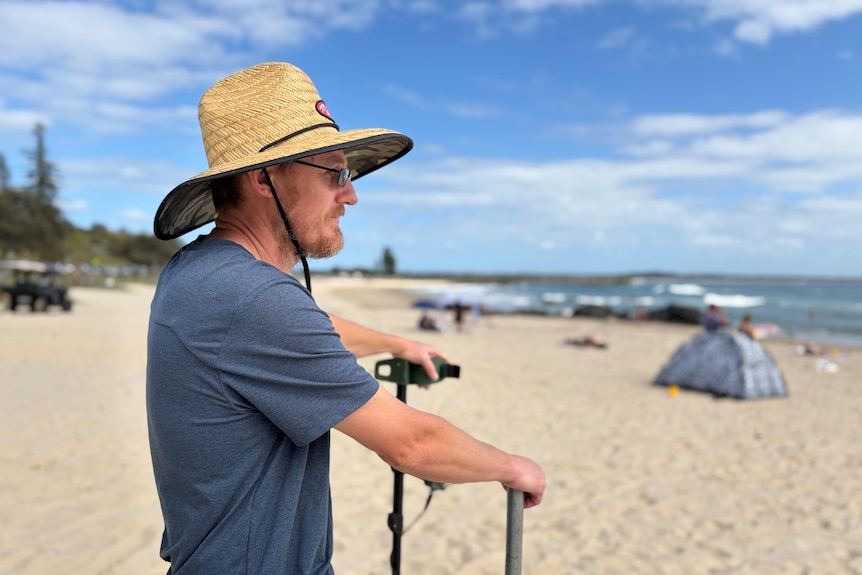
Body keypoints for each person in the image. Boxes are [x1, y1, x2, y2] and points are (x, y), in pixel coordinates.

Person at [146, 62, 545, 575]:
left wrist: (396, 343)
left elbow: (307, 331)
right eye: (335, 173)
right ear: (263, 178)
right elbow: (413, 444)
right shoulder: (253, 299)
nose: (350, 194)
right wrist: (513, 467)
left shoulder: (199, 272)